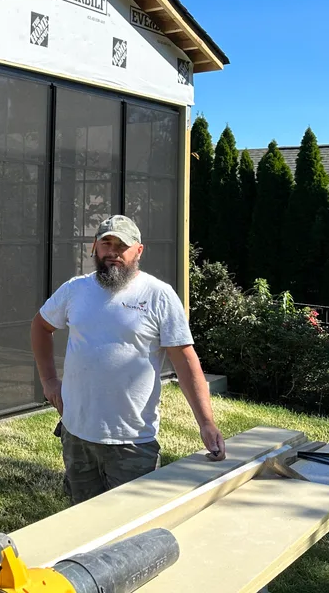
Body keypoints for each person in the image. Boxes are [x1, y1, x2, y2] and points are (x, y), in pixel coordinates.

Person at [31, 214, 225, 505]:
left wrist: (206, 422)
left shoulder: (158, 295)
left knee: (132, 531)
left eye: (122, 245)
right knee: (80, 524)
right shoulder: (75, 289)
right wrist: (48, 381)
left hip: (132, 441)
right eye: (106, 243)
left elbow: (185, 361)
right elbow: (41, 326)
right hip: (77, 435)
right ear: (94, 247)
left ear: (138, 250)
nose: (113, 252)